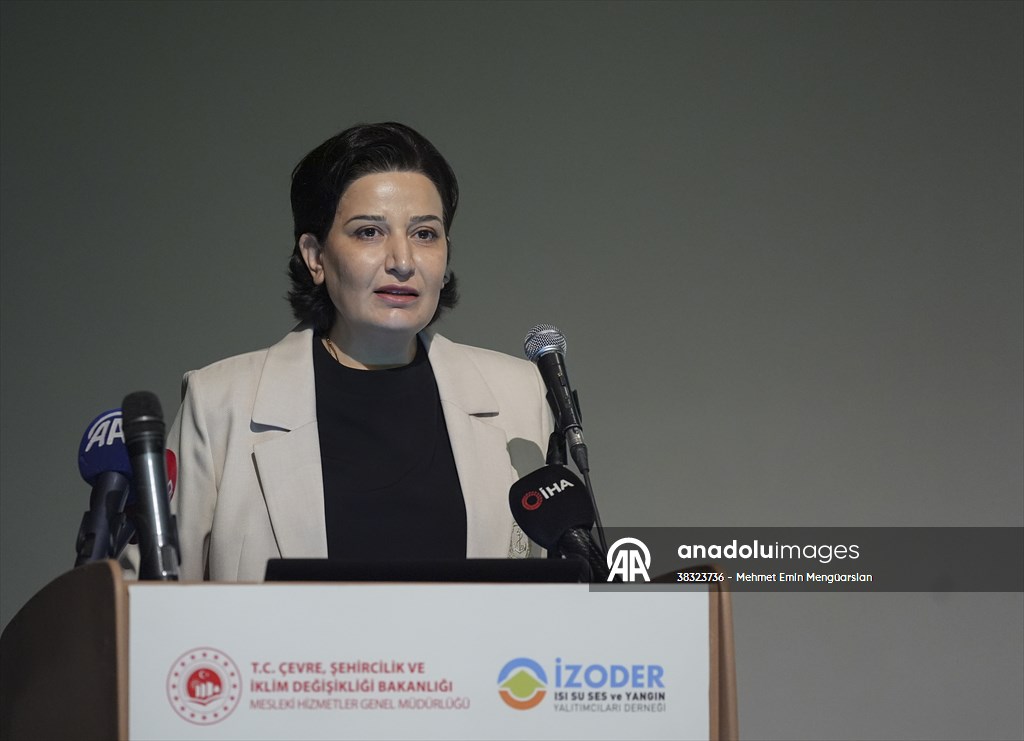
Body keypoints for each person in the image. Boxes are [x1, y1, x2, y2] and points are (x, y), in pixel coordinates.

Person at [166, 122, 553, 581]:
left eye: (425, 234)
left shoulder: (518, 394)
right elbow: (148, 599)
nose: (402, 261)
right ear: (315, 256)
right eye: (369, 232)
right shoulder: (220, 404)